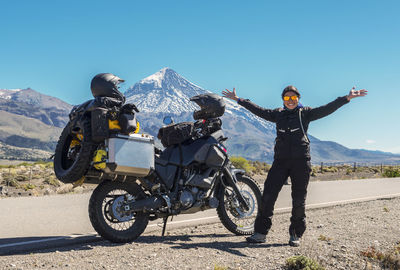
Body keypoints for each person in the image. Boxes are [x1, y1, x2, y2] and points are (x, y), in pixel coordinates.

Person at [222, 85, 367, 246]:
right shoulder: (278, 114)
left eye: (293, 98)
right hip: (280, 162)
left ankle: (295, 234)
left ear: (298, 98)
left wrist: (346, 98)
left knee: (298, 200)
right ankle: (260, 233)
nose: (290, 101)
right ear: (283, 100)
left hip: (301, 163)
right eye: (287, 98)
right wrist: (239, 100)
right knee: (267, 197)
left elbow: (327, 109)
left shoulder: (305, 113)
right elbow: (259, 110)